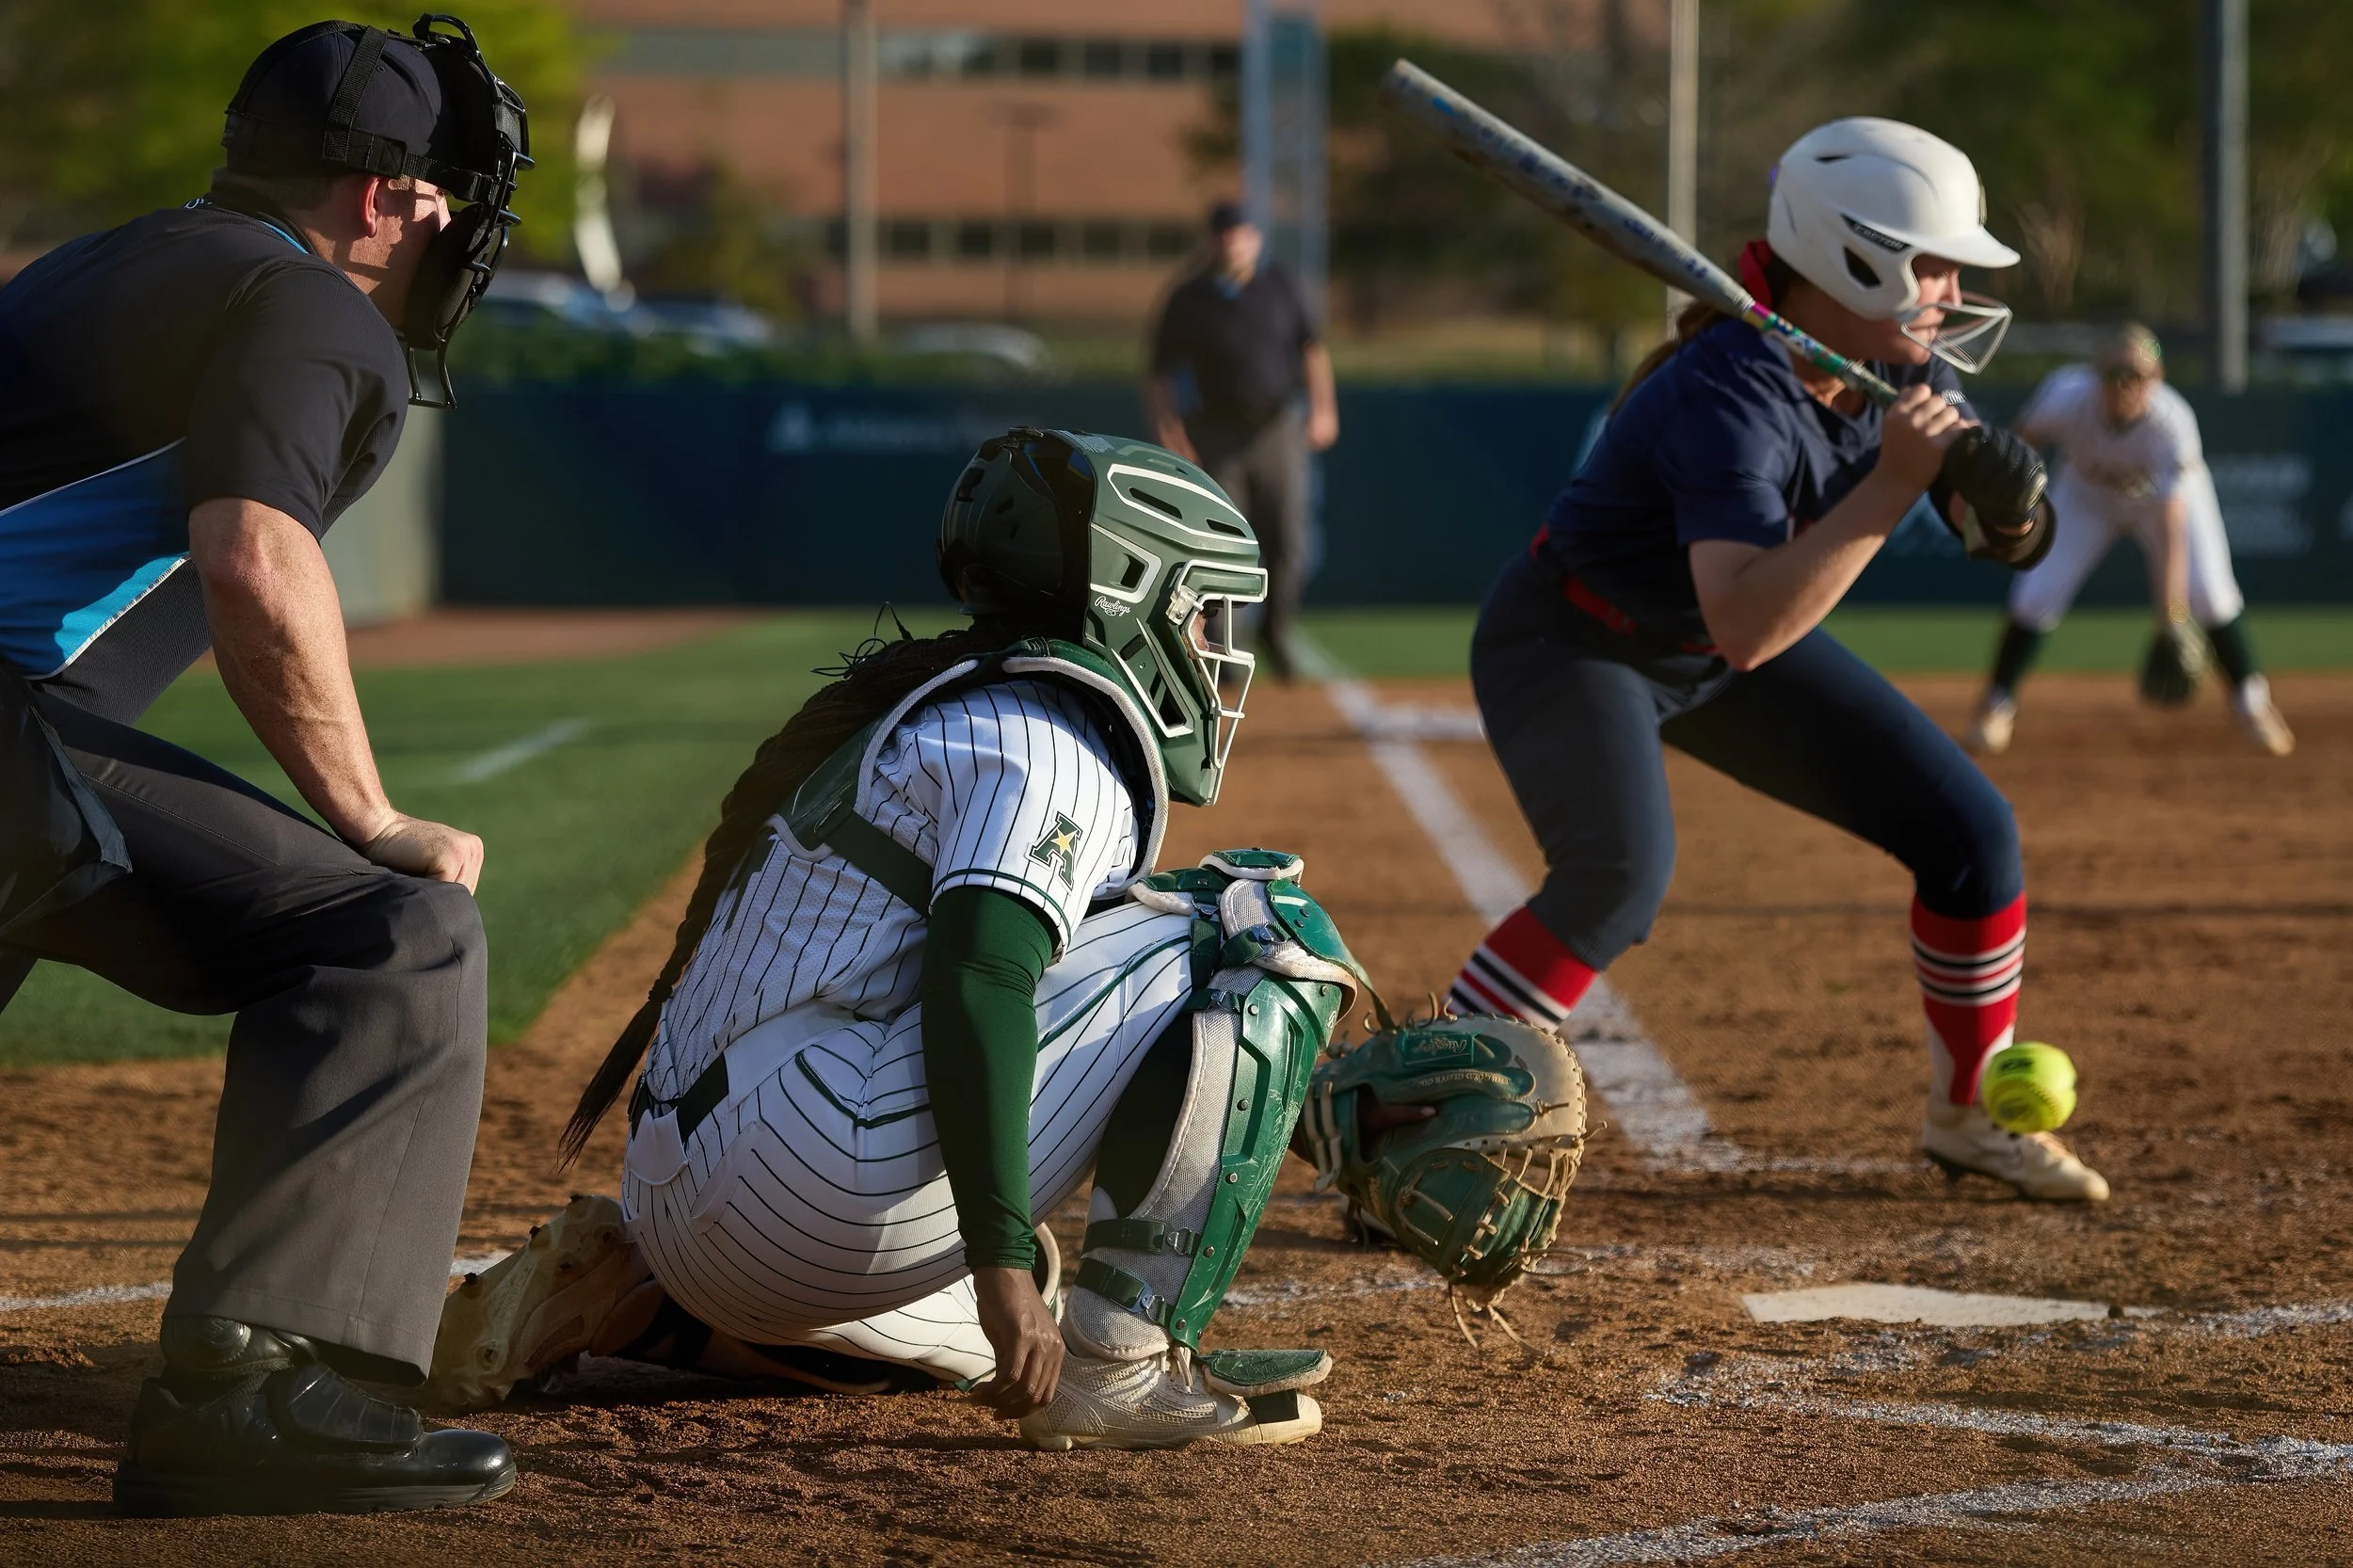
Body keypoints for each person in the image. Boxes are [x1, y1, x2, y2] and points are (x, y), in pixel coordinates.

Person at [428, 429, 1381, 1451]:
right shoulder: (1049, 741)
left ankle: (654, 1299)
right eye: (1198, 614)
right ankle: (1121, 1364)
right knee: (1257, 926)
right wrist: (1000, 1268)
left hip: (699, 1187)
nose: (1212, 647)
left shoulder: (960, 703)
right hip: (804, 1172)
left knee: (1021, 1311)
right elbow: (978, 978)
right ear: (1128, 594)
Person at [0, 19, 530, 1514]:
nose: (449, 229)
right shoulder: (314, 311)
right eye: (439, 199)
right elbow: (255, 557)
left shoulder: (103, 259)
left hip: (19, 748)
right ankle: (250, 1388)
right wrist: (368, 815)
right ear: (377, 201)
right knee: (394, 937)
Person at [1440, 118, 2111, 1204]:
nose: (1947, 290)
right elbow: (1749, 621)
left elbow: (1999, 541)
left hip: (1704, 645)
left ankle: (1969, 1116)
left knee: (1970, 835)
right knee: (1616, 879)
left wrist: (2011, 505)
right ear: (1857, 257)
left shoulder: (1896, 368)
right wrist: (1893, 484)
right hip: (1570, 640)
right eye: (1932, 265)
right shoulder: (1730, 391)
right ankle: (1415, 1108)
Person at [1966, 324, 2294, 757]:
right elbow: (2020, 440)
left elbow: (2172, 527)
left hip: (2162, 504)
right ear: (2094, 376)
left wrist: (2171, 618)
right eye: (2114, 374)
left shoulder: (2171, 422)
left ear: (2156, 380)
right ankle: (1995, 707)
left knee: (2212, 596)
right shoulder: (2066, 395)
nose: (2125, 385)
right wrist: (2001, 497)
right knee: (2035, 595)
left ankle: (2253, 705)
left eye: (2137, 376)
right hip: (2084, 495)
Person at [1144, 201, 1339, 681]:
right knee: (1225, 544)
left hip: (1277, 427)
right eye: (1225, 234)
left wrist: (1324, 409)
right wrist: (1169, 430)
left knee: (1287, 539)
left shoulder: (1281, 286)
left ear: (1256, 237)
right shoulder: (1190, 297)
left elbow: (1312, 350)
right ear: (1212, 241)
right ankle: (1228, 649)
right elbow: (1159, 371)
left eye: (1242, 233)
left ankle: (1277, 631)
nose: (1234, 242)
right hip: (1216, 430)